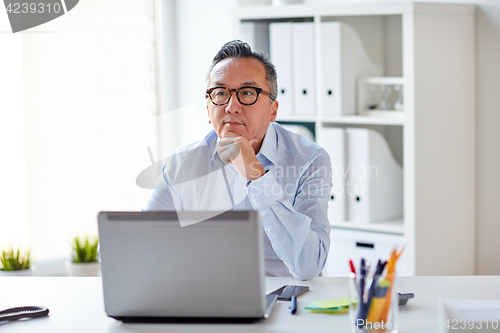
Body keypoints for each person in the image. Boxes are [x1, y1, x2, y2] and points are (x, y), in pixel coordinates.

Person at [144, 40, 332, 280]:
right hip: (206, 297)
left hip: (284, 299)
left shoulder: (310, 160)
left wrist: (256, 175)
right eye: (220, 93)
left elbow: (309, 266)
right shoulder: (183, 163)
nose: (232, 107)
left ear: (273, 110)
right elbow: (146, 241)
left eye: (247, 93)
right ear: (208, 109)